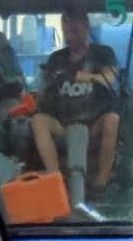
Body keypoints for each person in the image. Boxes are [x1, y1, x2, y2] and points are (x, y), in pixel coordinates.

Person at [31, 11, 121, 187]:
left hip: (94, 125)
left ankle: (102, 181)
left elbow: (110, 78)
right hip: (62, 126)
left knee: (112, 119)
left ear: (87, 28)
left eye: (74, 31)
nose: (69, 36)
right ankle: (54, 179)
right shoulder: (56, 59)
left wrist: (91, 77)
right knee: (38, 121)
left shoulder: (103, 53)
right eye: (65, 32)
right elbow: (44, 89)